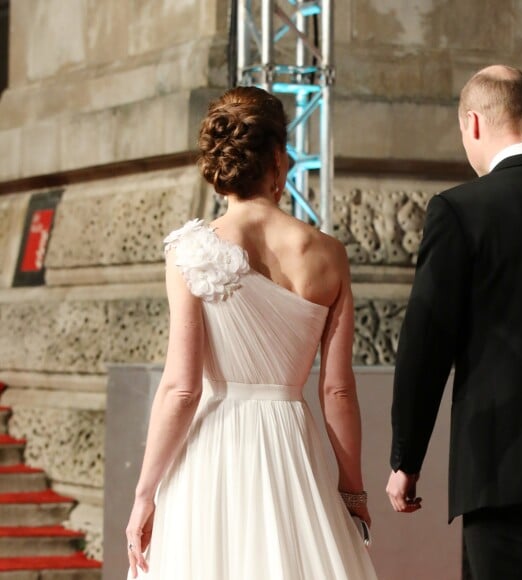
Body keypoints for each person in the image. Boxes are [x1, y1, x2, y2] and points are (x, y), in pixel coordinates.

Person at [125, 86, 377, 579]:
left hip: (211, 451)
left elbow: (181, 389)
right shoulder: (328, 253)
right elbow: (337, 389)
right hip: (292, 449)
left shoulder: (190, 250)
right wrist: (352, 492)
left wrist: (144, 494)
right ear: (279, 160)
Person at [385, 65, 522, 579]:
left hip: (502, 465)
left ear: (473, 123)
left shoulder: (459, 209)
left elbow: (426, 344)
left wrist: (406, 458)